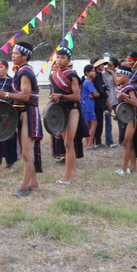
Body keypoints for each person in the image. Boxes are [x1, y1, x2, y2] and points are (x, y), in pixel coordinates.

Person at [0, 41, 43, 196]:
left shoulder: (25, 72)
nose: (12, 56)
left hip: (28, 112)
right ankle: (34, 184)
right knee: (26, 152)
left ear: (25, 56)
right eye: (12, 53)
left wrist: (5, 94)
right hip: (20, 112)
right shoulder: (20, 70)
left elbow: (26, 96)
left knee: (26, 153)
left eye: (15, 54)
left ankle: (24, 187)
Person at [49, 47, 86, 184]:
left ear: (69, 60)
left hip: (73, 110)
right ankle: (73, 174)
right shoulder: (53, 75)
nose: (59, 60)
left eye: (63, 57)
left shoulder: (72, 75)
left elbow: (77, 96)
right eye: (58, 57)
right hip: (60, 110)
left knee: (68, 143)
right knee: (67, 144)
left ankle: (66, 177)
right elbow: (55, 93)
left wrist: (62, 96)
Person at [0, 61, 18, 171]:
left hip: (8, 114)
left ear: (6, 68)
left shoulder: (11, 81)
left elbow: (14, 97)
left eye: (1, 67)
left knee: (8, 138)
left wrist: (4, 96)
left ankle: (10, 163)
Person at [90, 58, 109, 147]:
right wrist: (105, 94)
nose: (103, 66)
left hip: (100, 102)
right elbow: (99, 90)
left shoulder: (100, 75)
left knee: (99, 123)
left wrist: (106, 90)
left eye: (103, 64)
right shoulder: (96, 76)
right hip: (96, 103)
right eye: (101, 64)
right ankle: (96, 142)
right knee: (98, 123)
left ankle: (97, 141)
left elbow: (103, 86)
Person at [81, 64, 98, 150]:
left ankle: (88, 143)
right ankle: (90, 144)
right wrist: (97, 94)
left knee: (88, 124)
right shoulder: (88, 82)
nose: (94, 73)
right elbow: (95, 94)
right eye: (92, 71)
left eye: (94, 71)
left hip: (85, 105)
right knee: (94, 123)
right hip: (88, 105)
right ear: (87, 73)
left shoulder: (85, 82)